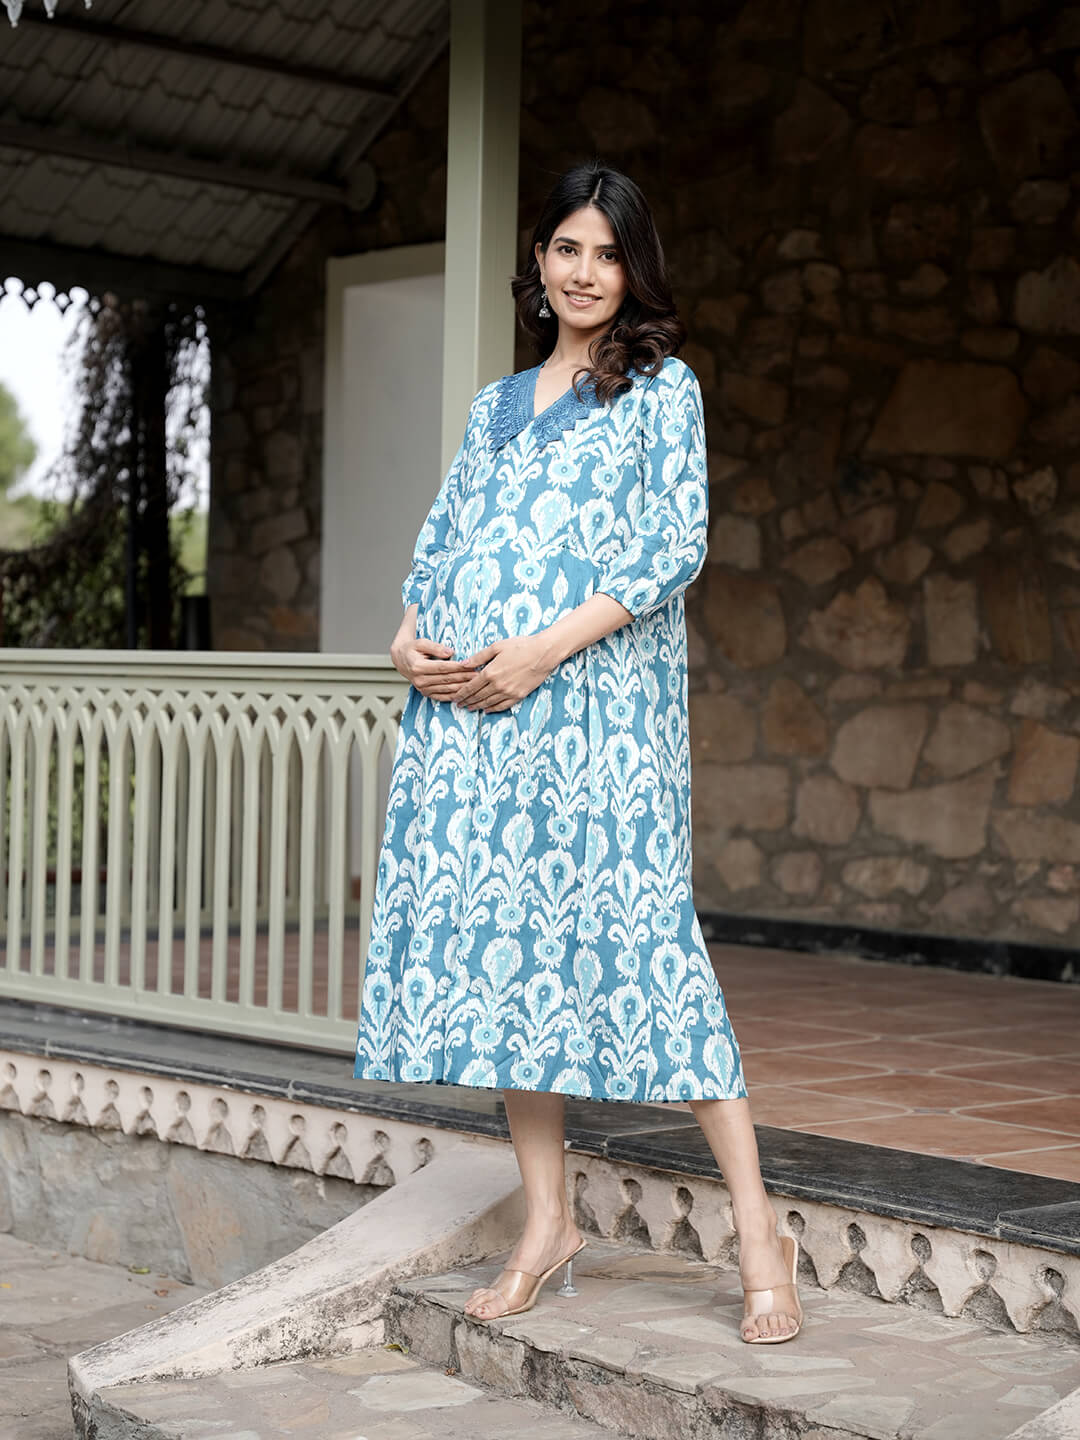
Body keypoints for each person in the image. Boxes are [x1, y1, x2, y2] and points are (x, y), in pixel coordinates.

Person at [353, 161, 802, 1344]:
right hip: (476, 717)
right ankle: (547, 1222)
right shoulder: (494, 407)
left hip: (596, 716)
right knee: (515, 948)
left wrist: (542, 653)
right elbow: (445, 538)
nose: (586, 273)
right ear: (540, 261)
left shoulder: (660, 391)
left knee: (649, 940)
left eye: (608, 253)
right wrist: (407, 636)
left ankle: (761, 1232)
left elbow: (672, 547)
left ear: (632, 269)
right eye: (567, 248)